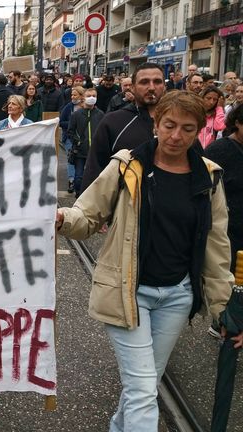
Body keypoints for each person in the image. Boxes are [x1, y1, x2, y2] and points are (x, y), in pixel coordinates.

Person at [56, 90, 238, 432]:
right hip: (128, 292)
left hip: (177, 295)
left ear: (199, 129)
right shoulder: (128, 165)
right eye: (169, 125)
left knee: (146, 383)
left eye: (187, 128)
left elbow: (216, 248)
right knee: (142, 389)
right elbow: (88, 214)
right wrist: (63, 218)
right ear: (156, 122)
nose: (175, 135)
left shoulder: (209, 176)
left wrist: (224, 309)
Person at [81, 62, 165, 192]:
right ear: (132, 87)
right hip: (123, 206)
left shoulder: (179, 123)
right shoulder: (113, 122)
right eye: (144, 82)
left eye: (157, 81)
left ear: (164, 86)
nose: (152, 87)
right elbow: (94, 170)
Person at [205, 104, 243, 338]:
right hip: (228, 228)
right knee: (229, 277)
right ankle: (223, 320)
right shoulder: (220, 150)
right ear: (237, 122)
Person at [67, 88, 104, 196]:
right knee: (79, 177)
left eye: (94, 96)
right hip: (80, 151)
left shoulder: (100, 114)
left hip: (94, 151)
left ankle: (90, 197)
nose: (92, 98)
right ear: (83, 98)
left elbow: (103, 132)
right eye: (89, 96)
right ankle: (79, 195)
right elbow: (70, 131)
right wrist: (77, 141)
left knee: (95, 176)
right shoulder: (76, 115)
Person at [59, 86, 86, 193]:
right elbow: (61, 122)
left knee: (82, 160)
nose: (72, 97)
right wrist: (72, 123)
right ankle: (71, 181)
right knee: (71, 159)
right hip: (70, 138)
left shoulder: (86, 107)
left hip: (84, 139)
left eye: (75, 95)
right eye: (71, 95)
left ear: (81, 96)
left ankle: (80, 180)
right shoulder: (68, 107)